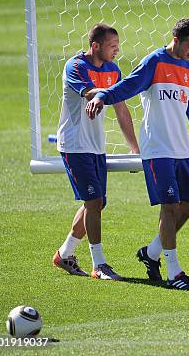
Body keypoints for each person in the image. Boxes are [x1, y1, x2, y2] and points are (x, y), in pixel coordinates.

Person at [86, 18, 189, 290]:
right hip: (157, 150)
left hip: (181, 150)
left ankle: (151, 253)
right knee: (168, 207)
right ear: (177, 40)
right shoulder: (154, 62)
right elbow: (129, 86)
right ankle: (174, 273)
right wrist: (102, 97)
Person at [53, 23, 139, 280]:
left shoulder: (113, 69)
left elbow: (121, 108)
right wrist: (103, 94)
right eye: (113, 46)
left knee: (98, 202)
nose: (117, 51)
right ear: (95, 46)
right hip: (74, 144)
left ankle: (64, 254)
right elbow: (89, 92)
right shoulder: (76, 66)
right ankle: (99, 264)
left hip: (95, 145)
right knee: (93, 202)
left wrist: (135, 148)